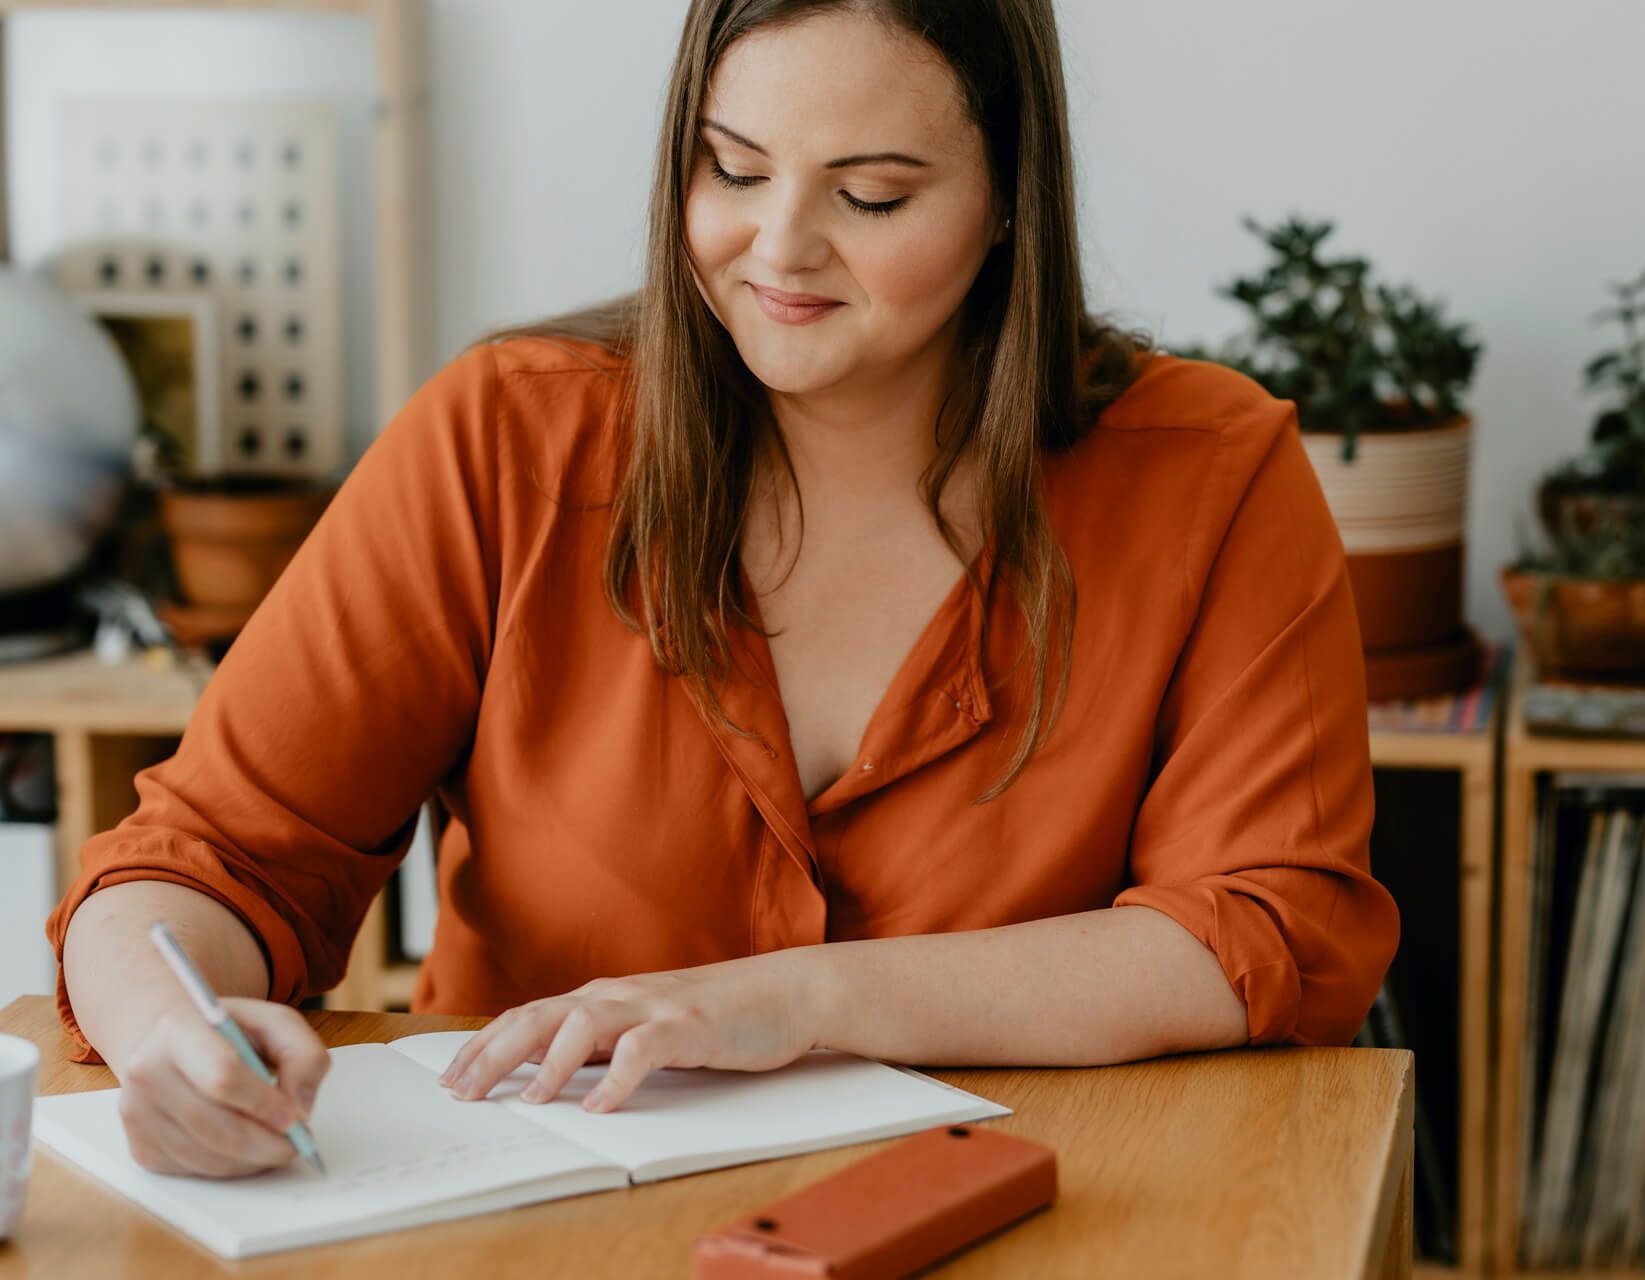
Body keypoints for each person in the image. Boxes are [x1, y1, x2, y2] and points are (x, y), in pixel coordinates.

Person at [50, 0, 1399, 1179]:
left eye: (871, 196)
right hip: (540, 1218)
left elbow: (1263, 926)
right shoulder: (507, 440)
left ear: (1009, 200)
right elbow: (206, 860)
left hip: (1030, 1210)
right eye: (732, 168)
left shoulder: (1209, 474)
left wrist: (795, 1000)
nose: (779, 248)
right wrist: (175, 1039)